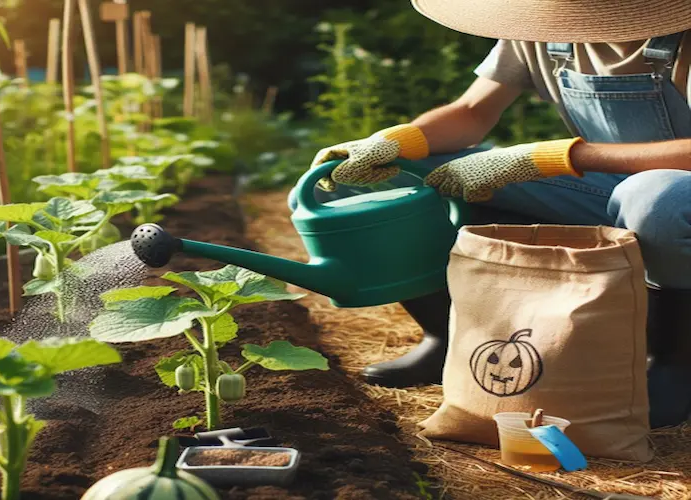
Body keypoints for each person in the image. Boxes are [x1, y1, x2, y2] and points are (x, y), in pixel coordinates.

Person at [287, 0, 691, 428]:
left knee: (655, 198)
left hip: (672, 194)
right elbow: (472, 112)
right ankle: (451, 337)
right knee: (387, 179)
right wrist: (390, 144)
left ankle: (672, 363)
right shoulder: (546, 21)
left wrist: (550, 158)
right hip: (606, 185)